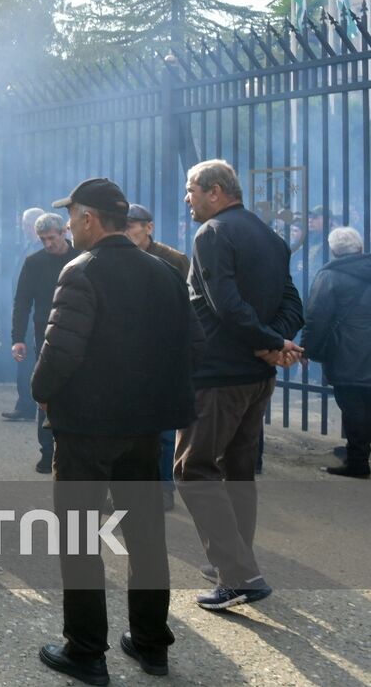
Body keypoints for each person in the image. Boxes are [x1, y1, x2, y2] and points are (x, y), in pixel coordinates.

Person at [32, 178, 200, 686]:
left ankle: (85, 651)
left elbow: (61, 351)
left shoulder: (80, 270)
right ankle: (151, 642)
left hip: (86, 429)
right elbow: (190, 344)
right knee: (145, 535)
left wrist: (42, 391)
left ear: (89, 219)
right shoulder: (164, 271)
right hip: (143, 427)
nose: (68, 227)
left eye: (72, 218)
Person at [179, 159, 304, 612]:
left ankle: (238, 574)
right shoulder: (269, 236)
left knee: (193, 470)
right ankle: (236, 561)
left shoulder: (211, 233)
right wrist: (274, 344)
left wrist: (270, 343)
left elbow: (225, 306)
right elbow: (293, 303)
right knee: (238, 470)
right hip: (256, 377)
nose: (187, 199)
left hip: (219, 376)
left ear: (215, 191)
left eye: (191, 189)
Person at [126, 203, 191, 509]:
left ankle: (164, 487)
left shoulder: (173, 260)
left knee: (164, 429)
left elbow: (188, 307)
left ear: (148, 227)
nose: (126, 231)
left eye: (131, 225)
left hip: (164, 353)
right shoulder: (118, 258)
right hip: (128, 354)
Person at [10, 212, 77, 474]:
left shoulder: (81, 258)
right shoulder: (34, 262)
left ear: (64, 233)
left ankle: (71, 449)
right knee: (45, 391)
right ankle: (47, 451)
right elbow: (22, 301)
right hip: (45, 336)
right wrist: (17, 338)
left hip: (77, 335)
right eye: (43, 239)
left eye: (51, 238)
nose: (48, 244)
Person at [302, 226, 371, 478]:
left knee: (353, 407)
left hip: (346, 352)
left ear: (333, 251)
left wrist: (306, 349)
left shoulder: (329, 276)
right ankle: (358, 453)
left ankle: (358, 462)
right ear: (360, 248)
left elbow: (317, 317)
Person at [2, 207, 47, 422]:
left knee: (29, 359)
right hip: (27, 312)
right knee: (26, 358)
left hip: (34, 313)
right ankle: (26, 404)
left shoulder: (41, 249)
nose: (23, 229)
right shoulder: (31, 246)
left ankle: (28, 404)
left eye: (25, 225)